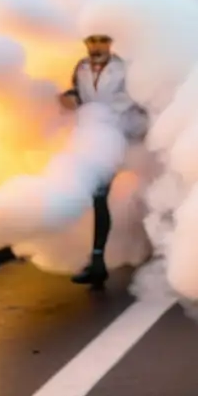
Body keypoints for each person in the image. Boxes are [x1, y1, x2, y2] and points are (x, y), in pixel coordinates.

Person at [60, 34, 148, 287]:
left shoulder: (126, 69)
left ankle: (144, 246)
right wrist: (69, 98)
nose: (96, 46)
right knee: (98, 196)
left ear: (111, 42)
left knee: (115, 194)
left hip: (123, 135)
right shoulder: (81, 67)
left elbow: (135, 100)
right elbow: (80, 95)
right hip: (94, 137)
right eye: (91, 41)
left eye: (102, 41)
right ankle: (97, 260)